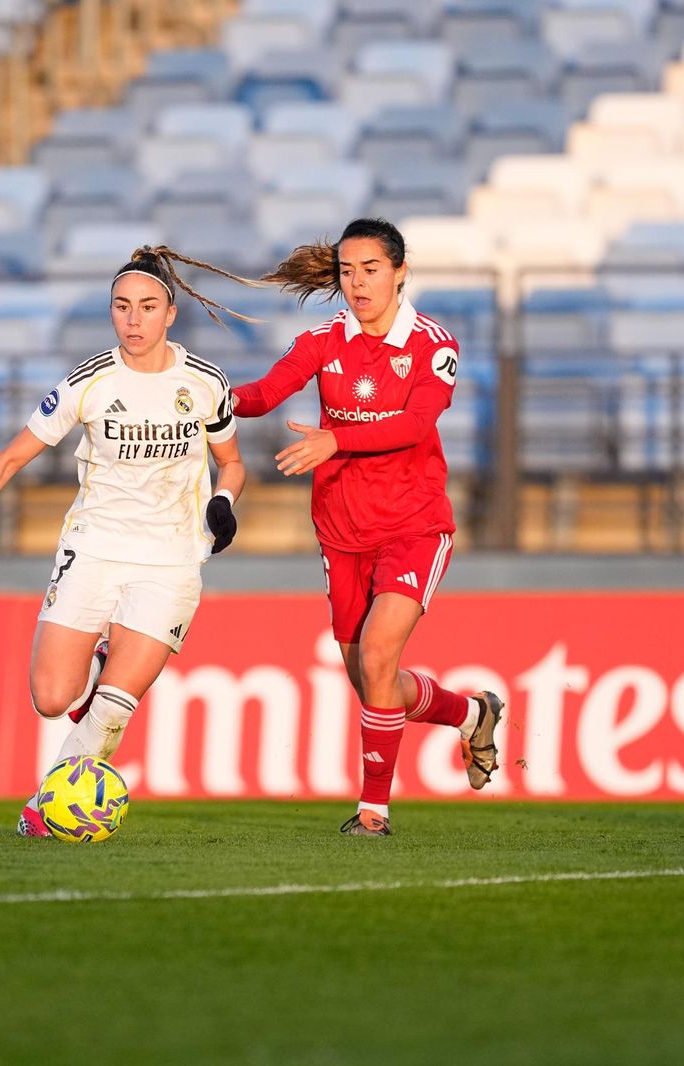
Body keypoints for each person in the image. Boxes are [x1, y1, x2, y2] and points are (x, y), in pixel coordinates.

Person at [0, 246, 245, 836]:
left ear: (170, 313)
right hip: (95, 546)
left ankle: (46, 811)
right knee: (50, 697)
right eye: (122, 307)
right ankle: (97, 655)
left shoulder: (204, 383)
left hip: (172, 557)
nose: (134, 319)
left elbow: (233, 462)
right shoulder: (89, 381)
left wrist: (223, 501)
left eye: (147, 306)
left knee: (115, 708)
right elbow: (14, 454)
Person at [231, 217, 504, 837]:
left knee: (380, 655)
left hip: (413, 523)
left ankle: (373, 814)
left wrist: (336, 440)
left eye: (371, 270)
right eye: (348, 271)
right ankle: (472, 713)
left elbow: (414, 425)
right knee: (370, 678)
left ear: (401, 272)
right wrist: (201, 394)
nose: (358, 284)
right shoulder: (324, 340)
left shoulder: (435, 344)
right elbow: (266, 393)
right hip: (340, 529)